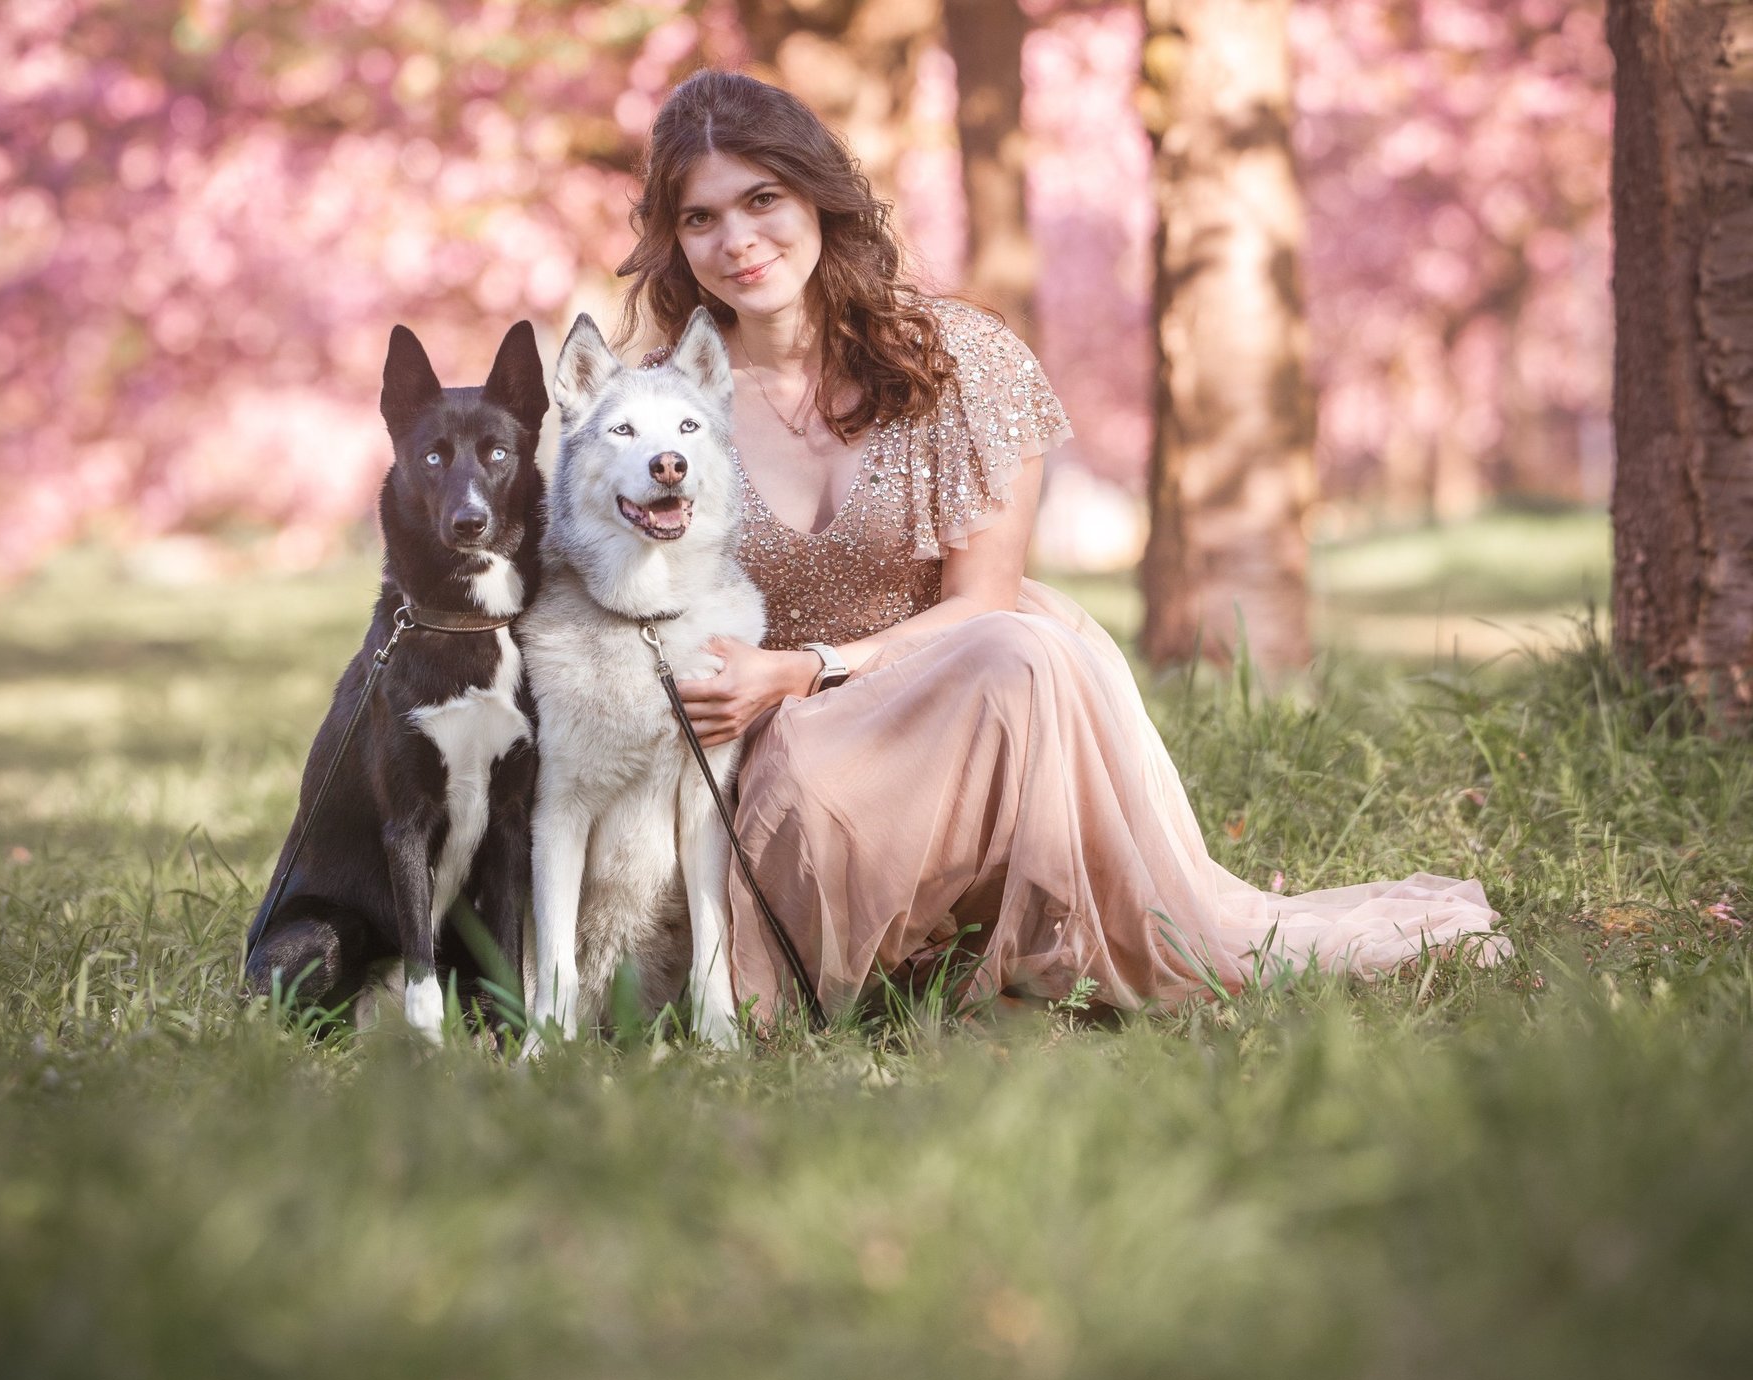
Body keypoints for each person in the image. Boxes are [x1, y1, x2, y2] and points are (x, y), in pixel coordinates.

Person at [618, 69, 1505, 1022]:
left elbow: (983, 603)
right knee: (827, 752)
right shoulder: (660, 406)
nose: (737, 240)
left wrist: (814, 665)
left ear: (818, 198)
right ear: (675, 242)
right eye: (701, 218)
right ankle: (854, 962)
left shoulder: (957, 360)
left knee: (1022, 648)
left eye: (762, 200)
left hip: (953, 686)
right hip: (765, 740)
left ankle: (1014, 948)